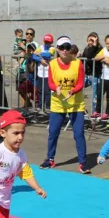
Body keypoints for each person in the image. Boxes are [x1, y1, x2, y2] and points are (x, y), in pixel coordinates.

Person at [40, 37, 88, 173]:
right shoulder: (53, 64)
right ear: (57, 49)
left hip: (75, 104)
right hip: (58, 103)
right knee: (53, 132)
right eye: (62, 47)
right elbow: (50, 82)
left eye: (67, 47)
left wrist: (73, 90)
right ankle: (50, 159)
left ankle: (83, 162)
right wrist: (56, 88)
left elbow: (80, 82)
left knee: (78, 133)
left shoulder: (78, 63)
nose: (65, 50)